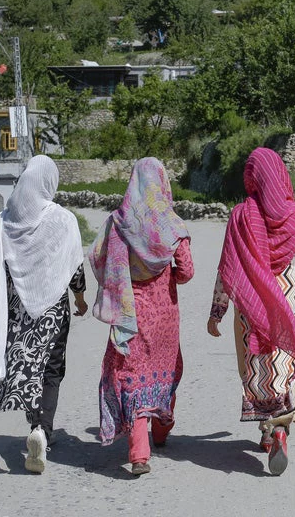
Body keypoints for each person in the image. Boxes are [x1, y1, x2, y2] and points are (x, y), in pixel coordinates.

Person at [0, 155, 88, 475]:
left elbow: (2, 269)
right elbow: (74, 265)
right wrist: (81, 297)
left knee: (28, 367)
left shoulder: (5, 220)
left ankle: (34, 425)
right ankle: (42, 431)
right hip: (53, 310)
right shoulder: (63, 219)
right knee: (51, 368)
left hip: (19, 310)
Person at [207, 147, 295, 476]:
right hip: (287, 301)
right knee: (282, 363)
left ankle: (268, 428)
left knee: (257, 365)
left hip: (250, 306)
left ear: (252, 179)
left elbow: (227, 266)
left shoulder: (241, 216)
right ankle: (280, 427)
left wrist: (218, 309)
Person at [90, 157, 193, 476]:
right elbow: (187, 271)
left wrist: (123, 277)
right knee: (165, 369)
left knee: (133, 374)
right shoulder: (172, 225)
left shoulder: (118, 222)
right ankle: (162, 428)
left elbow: (98, 259)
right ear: (162, 184)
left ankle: (139, 453)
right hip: (164, 317)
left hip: (129, 314)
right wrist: (166, 277)